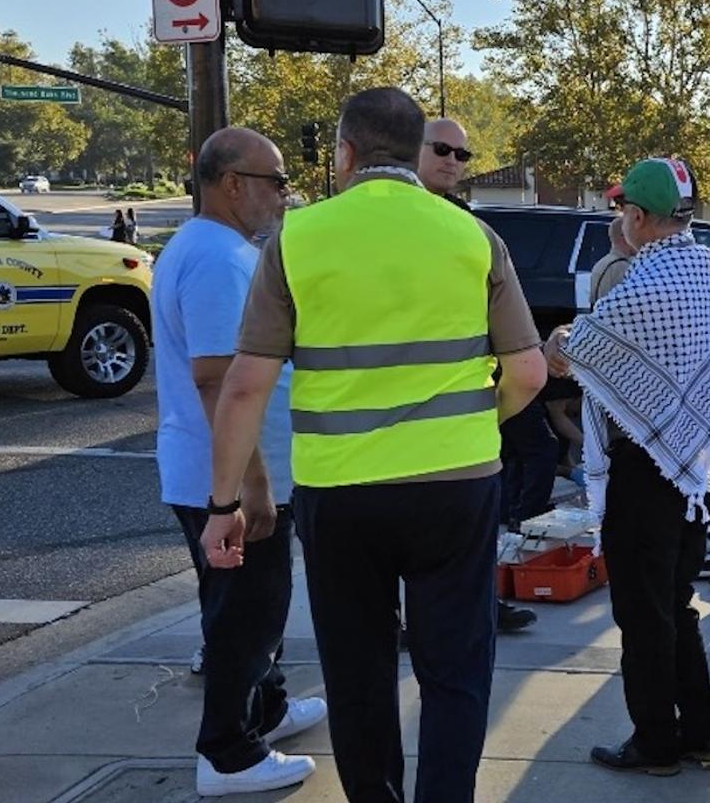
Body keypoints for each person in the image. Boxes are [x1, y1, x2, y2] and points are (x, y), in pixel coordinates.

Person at [201, 88, 547, 802]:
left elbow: (241, 388)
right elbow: (529, 372)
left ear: (345, 152)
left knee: (358, 676)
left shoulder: (298, 238)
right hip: (456, 488)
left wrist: (223, 504)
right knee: (456, 672)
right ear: (418, 152)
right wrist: (479, 423)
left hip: (341, 496)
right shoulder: (473, 239)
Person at [151, 127, 325, 797]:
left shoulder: (207, 250)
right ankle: (227, 752)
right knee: (249, 614)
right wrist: (250, 488)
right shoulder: (219, 260)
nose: (283, 194)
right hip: (230, 481)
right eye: (274, 180)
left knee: (244, 608)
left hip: (214, 473)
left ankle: (268, 709)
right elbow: (219, 381)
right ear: (231, 184)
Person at [545, 158, 710, 776]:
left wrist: (555, 343)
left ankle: (655, 743)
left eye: (621, 209)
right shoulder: (705, 270)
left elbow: (579, 355)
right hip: (692, 469)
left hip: (645, 473)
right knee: (675, 604)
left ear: (636, 215)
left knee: (642, 614)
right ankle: (703, 731)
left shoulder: (647, 283)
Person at [416, 116, 539, 633]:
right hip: (403, 414)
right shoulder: (399, 224)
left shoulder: (469, 226)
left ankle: (480, 605)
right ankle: (424, 617)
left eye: (462, 154)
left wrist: (488, 416)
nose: (452, 160)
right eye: (441, 149)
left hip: (469, 402)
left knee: (477, 513)